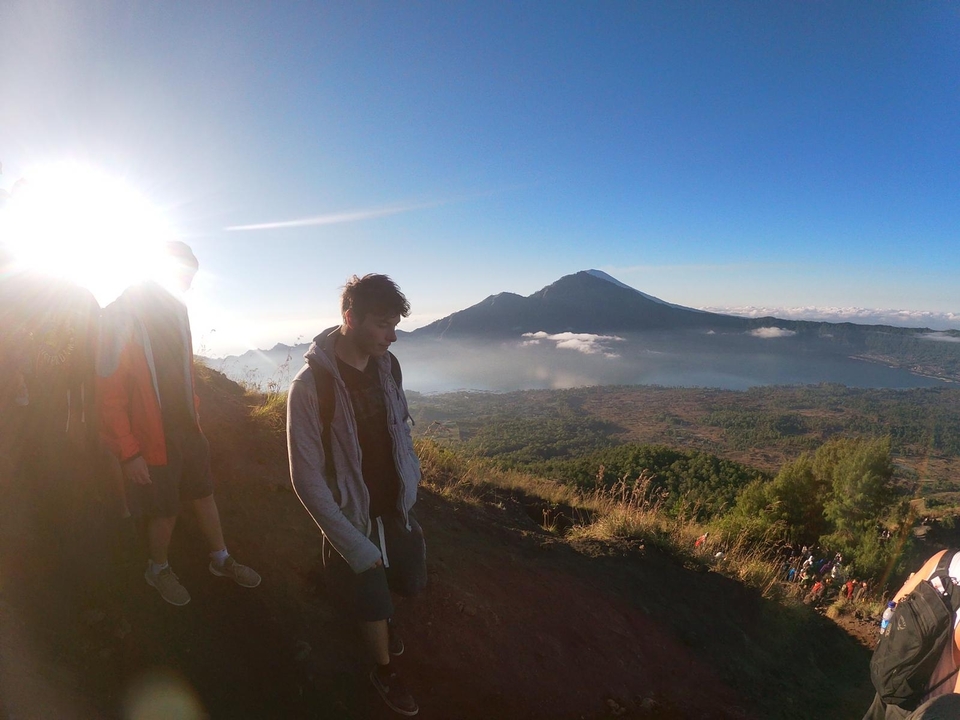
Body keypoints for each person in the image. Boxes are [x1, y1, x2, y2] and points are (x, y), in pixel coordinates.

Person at [287, 274, 426, 717]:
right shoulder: (310, 387)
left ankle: (383, 622)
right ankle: (382, 670)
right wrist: (349, 540)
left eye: (394, 325)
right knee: (368, 587)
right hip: (352, 514)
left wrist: (411, 478)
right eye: (383, 325)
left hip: (393, 505)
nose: (393, 336)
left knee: (403, 578)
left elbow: (400, 429)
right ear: (350, 318)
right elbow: (306, 477)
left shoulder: (388, 366)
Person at [97, 241, 260, 606]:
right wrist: (129, 453)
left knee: (203, 494)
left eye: (191, 277)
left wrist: (195, 417)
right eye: (184, 275)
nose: (188, 284)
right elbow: (109, 394)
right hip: (151, 438)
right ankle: (157, 569)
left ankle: (221, 559)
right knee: (165, 509)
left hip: (187, 431)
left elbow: (184, 373)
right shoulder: (121, 316)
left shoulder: (177, 311)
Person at [862, 550, 960, 719]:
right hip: (922, 709)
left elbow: (892, 610)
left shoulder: (945, 558)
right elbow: (955, 703)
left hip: (892, 680)